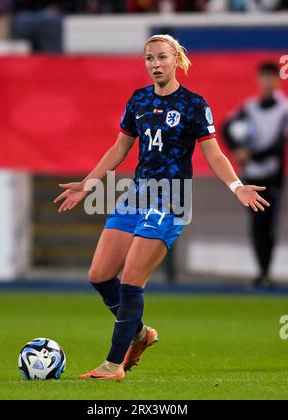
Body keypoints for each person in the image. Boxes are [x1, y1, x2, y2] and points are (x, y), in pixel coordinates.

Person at [54, 34, 270, 380]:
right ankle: (140, 334)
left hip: (171, 199)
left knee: (131, 282)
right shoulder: (138, 100)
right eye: (149, 59)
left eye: (162, 58)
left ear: (176, 60)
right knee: (99, 275)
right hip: (137, 194)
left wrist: (237, 186)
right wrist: (89, 183)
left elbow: (212, 152)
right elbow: (119, 147)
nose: (155, 64)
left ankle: (113, 365)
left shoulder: (194, 104)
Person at [223, 62, 288, 288]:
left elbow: (279, 145)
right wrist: (237, 150)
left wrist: (252, 155)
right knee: (257, 224)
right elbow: (226, 126)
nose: (267, 82)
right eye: (264, 78)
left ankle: (265, 271)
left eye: (271, 78)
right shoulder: (249, 107)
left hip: (272, 176)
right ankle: (262, 272)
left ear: (277, 80)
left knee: (268, 224)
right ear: (259, 81)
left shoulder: (284, 109)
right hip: (251, 176)